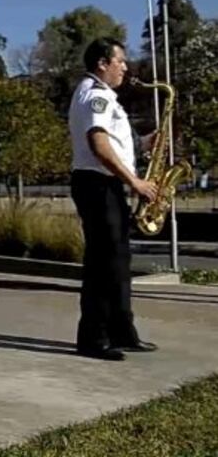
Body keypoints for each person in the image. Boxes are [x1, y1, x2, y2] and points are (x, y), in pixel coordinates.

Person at [68, 37, 158, 361]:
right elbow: (99, 144)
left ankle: (122, 331)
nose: (125, 67)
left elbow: (116, 143)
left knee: (118, 263)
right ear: (102, 64)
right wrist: (134, 181)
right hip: (98, 184)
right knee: (104, 264)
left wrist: (151, 141)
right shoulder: (95, 96)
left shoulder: (104, 97)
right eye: (120, 61)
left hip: (105, 185)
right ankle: (94, 338)